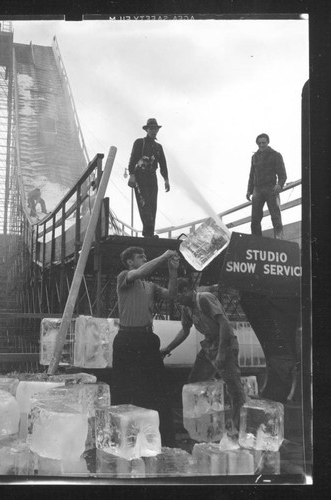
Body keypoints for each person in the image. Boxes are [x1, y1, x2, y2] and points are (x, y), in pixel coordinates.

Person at [112, 246, 180, 446]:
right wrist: (164, 255)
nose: (144, 257)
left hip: (146, 339)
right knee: (123, 391)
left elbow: (172, 294)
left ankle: (164, 440)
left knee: (156, 391)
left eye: (145, 255)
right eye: (139, 256)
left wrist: (173, 271)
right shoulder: (125, 276)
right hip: (127, 339)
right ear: (130, 262)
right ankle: (120, 439)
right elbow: (142, 271)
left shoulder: (149, 286)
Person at [160, 278, 246, 435]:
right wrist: (167, 349)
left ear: (186, 291)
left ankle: (238, 429)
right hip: (209, 345)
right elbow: (184, 330)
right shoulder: (186, 308)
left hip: (224, 343)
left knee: (234, 388)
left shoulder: (204, 298)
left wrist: (221, 353)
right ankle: (201, 424)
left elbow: (224, 324)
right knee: (194, 383)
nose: (177, 301)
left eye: (178, 296)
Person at [127, 118, 170, 238]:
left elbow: (163, 164)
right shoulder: (139, 142)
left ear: (157, 130)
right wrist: (131, 175)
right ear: (147, 130)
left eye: (155, 129)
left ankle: (149, 233)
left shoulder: (158, 147)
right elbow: (133, 159)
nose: (153, 131)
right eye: (151, 129)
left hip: (152, 176)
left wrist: (166, 179)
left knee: (152, 204)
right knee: (144, 203)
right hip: (140, 175)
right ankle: (148, 234)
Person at [246, 133, 287, 239]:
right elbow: (251, 175)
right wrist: (249, 190)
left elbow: (282, 174)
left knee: (275, 216)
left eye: (263, 143)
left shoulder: (275, 155)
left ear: (268, 142)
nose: (261, 145)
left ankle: (279, 239)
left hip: (271, 189)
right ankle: (256, 240)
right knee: (255, 218)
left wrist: (279, 185)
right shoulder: (254, 157)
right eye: (259, 143)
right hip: (257, 190)